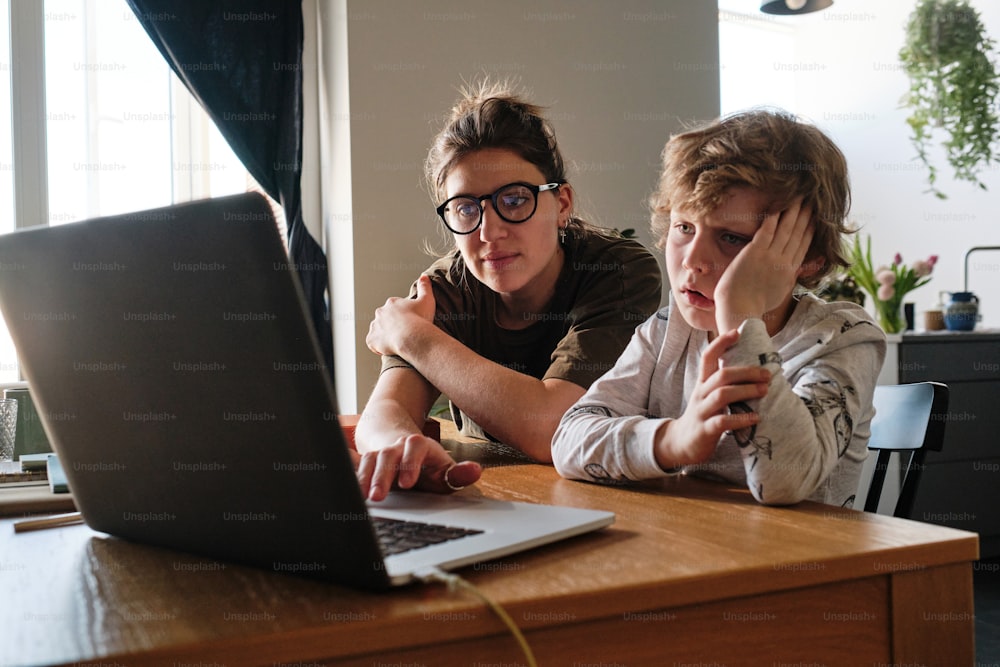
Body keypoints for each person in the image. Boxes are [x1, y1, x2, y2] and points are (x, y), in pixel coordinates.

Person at [551, 108, 887, 507]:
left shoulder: (842, 339)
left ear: (807, 256)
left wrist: (742, 321)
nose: (693, 259)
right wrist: (673, 440)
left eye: (731, 237)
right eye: (685, 227)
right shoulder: (666, 332)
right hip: (695, 552)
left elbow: (784, 482)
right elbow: (568, 441)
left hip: (805, 565)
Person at [354, 82, 662, 501]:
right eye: (466, 208)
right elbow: (385, 413)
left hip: (622, 498)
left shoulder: (617, 270)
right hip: (495, 495)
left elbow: (553, 427)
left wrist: (412, 337)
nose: (489, 231)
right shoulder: (444, 289)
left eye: (515, 200)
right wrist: (398, 447)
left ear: (563, 204)